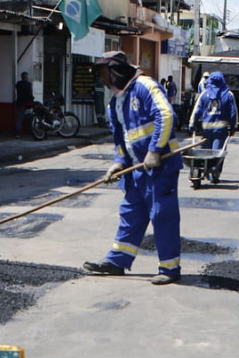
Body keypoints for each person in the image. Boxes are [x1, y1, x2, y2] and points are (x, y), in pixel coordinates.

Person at [83, 51, 183, 285]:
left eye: (102, 73)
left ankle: (169, 267)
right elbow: (120, 139)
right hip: (136, 168)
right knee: (131, 212)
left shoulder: (144, 86)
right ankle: (117, 261)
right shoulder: (114, 102)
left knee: (161, 214)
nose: (101, 79)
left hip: (160, 165)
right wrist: (118, 162)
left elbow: (166, 114)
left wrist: (155, 150)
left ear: (114, 71)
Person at [188, 71, 237, 183]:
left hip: (206, 130)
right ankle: (215, 172)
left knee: (205, 152)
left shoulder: (204, 95)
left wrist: (192, 125)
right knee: (217, 153)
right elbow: (233, 113)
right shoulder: (228, 95)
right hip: (220, 130)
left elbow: (196, 111)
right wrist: (233, 127)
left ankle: (206, 171)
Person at [14, 71, 34, 138]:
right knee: (30, 117)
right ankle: (30, 131)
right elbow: (30, 94)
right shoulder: (28, 84)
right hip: (27, 104)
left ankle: (18, 133)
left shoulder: (18, 84)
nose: (28, 78)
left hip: (19, 103)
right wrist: (32, 99)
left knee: (19, 119)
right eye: (27, 77)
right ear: (25, 77)